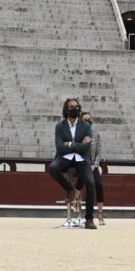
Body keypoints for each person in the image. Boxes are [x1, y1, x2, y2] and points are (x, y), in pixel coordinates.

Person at [47, 97, 97, 229]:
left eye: (77, 106)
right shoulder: (60, 126)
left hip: (81, 158)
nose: (75, 108)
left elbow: (86, 148)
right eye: (72, 106)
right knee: (52, 168)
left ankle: (89, 219)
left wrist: (69, 144)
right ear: (66, 110)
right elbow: (59, 147)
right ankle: (70, 189)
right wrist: (79, 144)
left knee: (91, 183)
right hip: (65, 157)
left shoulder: (86, 125)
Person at [80, 111, 107, 226]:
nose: (88, 121)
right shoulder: (78, 134)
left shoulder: (96, 134)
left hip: (93, 165)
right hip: (81, 164)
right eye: (85, 120)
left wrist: (95, 164)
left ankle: (100, 212)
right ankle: (77, 209)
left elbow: (99, 151)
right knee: (80, 185)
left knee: (99, 185)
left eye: (89, 119)